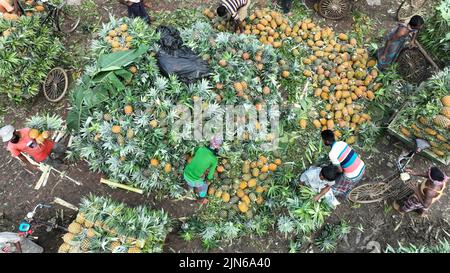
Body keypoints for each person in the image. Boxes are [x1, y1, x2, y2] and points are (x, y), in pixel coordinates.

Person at [0, 125, 66, 171]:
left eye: (12, 137)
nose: (11, 140)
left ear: (15, 131)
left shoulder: (26, 130)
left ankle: (64, 152)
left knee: (61, 148)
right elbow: (21, 157)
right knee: (50, 162)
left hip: (47, 144)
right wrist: (30, 165)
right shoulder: (11, 146)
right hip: (39, 155)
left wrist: (46, 134)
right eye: (9, 139)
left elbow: (40, 135)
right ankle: (59, 165)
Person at [321, 130, 366, 197]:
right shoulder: (342, 143)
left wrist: (332, 172)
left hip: (353, 176)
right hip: (362, 166)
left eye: (323, 140)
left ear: (327, 141)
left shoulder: (332, 154)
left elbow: (340, 170)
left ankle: (345, 193)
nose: (323, 141)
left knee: (334, 187)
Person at [183, 136, 222, 204]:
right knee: (205, 185)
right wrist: (208, 180)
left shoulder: (200, 148)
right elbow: (210, 175)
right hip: (194, 180)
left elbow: (195, 156)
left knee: (194, 175)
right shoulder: (214, 160)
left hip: (185, 174)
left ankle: (190, 188)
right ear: (217, 148)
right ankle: (201, 198)